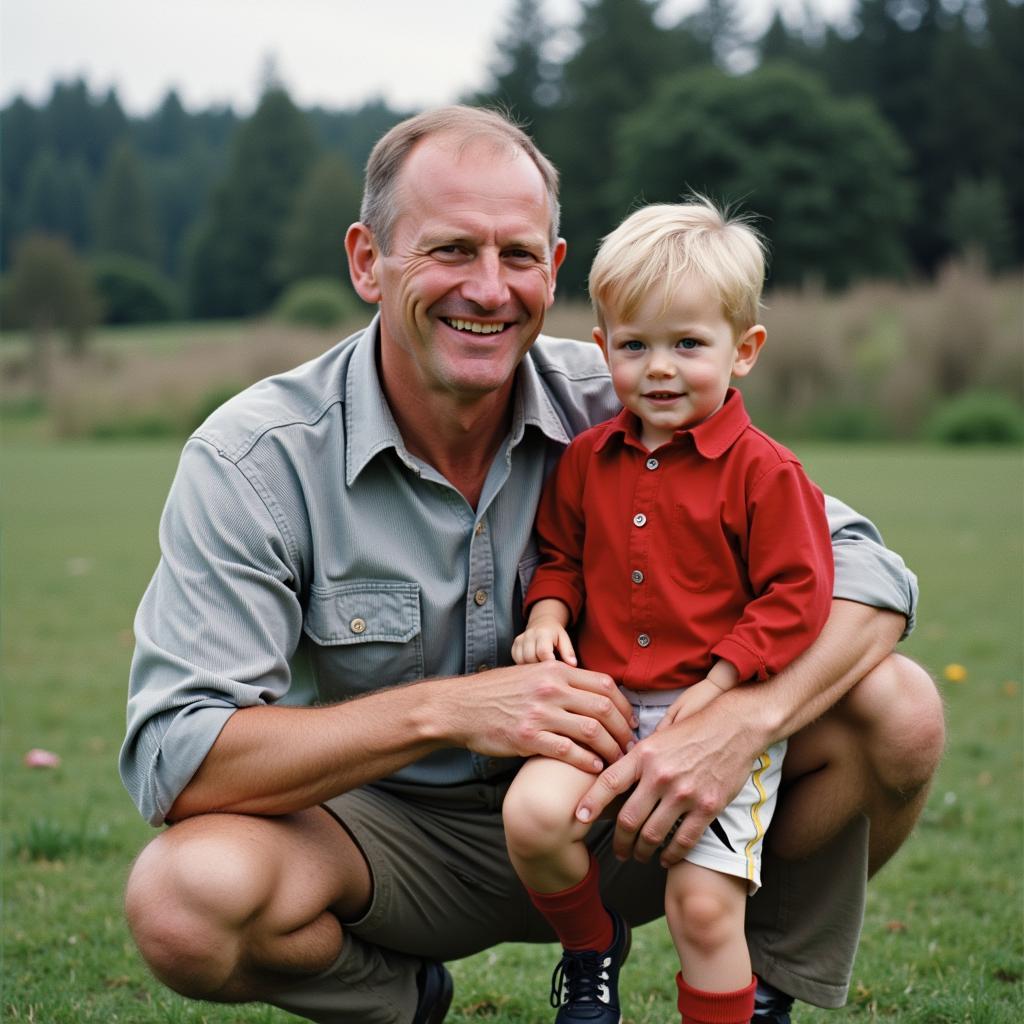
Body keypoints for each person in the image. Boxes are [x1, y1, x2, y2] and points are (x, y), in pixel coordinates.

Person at [120, 106, 943, 1024]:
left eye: (517, 255)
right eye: (449, 251)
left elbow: (871, 579)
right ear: (366, 261)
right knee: (182, 900)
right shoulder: (255, 458)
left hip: (631, 812)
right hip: (386, 844)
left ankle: (756, 989)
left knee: (898, 710)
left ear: (553, 274)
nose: (488, 287)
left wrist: (738, 722)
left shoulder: (639, 394)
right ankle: (399, 1000)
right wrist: (453, 710)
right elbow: (176, 757)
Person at [503, 199, 834, 1024]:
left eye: (688, 344)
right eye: (635, 345)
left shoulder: (765, 473)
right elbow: (562, 557)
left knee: (703, 907)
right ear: (602, 349)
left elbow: (800, 592)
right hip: (607, 705)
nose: (660, 368)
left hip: (713, 710)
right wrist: (547, 616)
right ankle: (591, 949)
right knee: (535, 817)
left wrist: (724, 680)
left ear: (743, 350)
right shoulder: (586, 461)